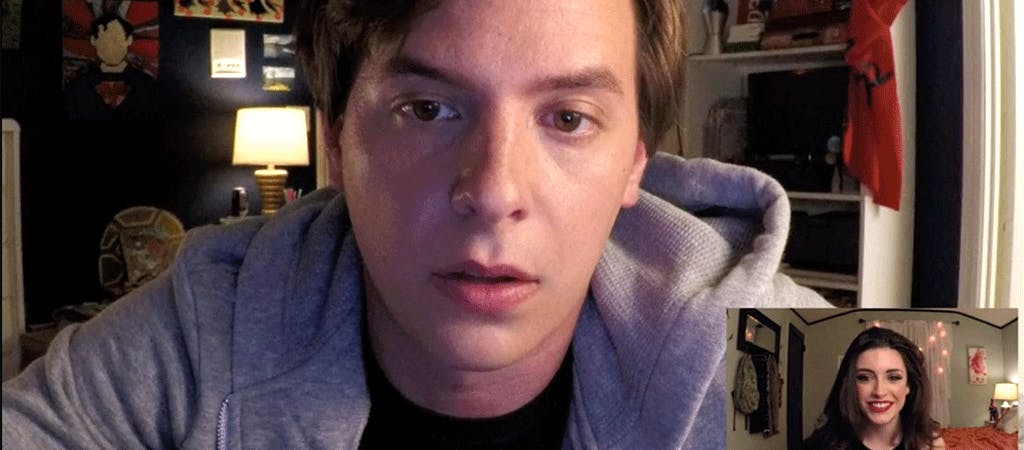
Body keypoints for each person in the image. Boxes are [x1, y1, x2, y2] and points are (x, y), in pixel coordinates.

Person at [3, 0, 829, 448]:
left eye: (569, 118)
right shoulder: (209, 323)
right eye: (427, 109)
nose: (494, 191)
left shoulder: (757, 345)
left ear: (635, 163)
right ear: (336, 140)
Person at [804, 327, 947, 450]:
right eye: (865, 378)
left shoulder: (931, 444)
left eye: (893, 378)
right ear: (850, 384)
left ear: (909, 385)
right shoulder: (820, 445)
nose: (879, 392)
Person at [65, 13, 158, 120]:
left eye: (117, 38)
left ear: (129, 40)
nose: (111, 46)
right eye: (105, 39)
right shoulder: (77, 88)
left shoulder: (149, 86)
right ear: (94, 40)